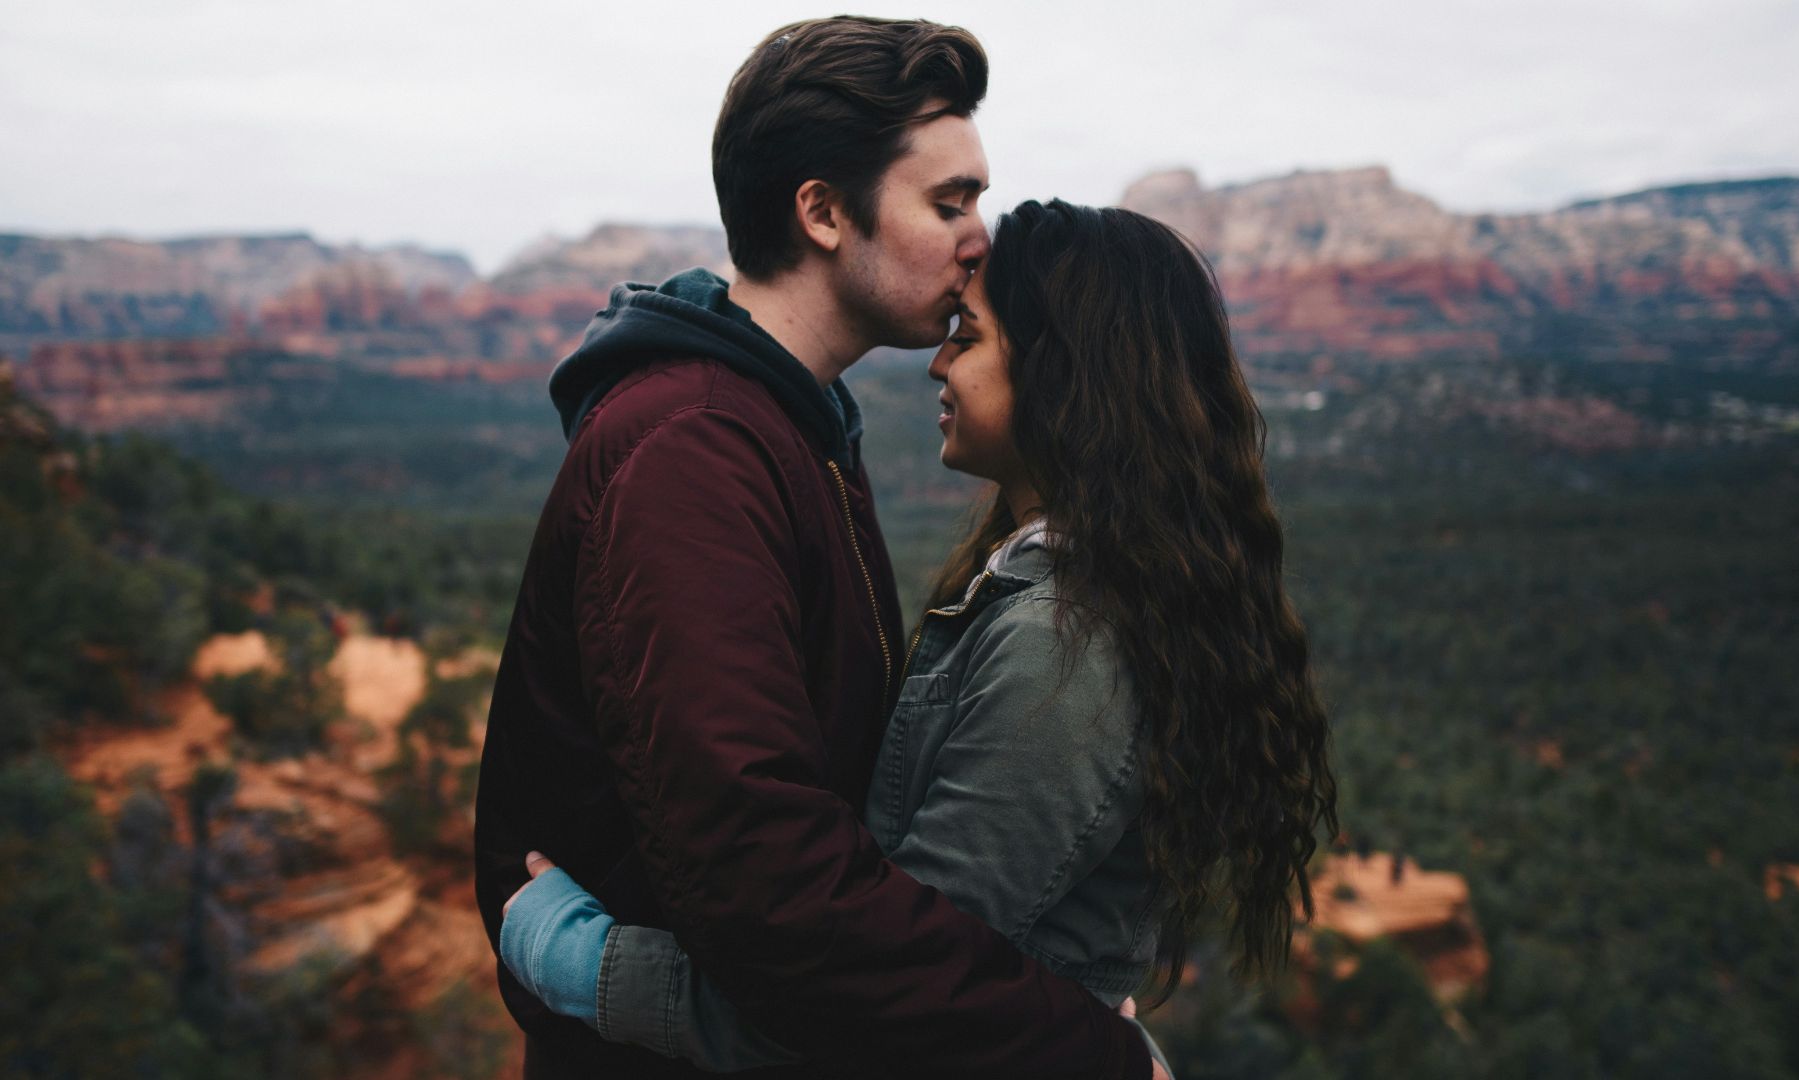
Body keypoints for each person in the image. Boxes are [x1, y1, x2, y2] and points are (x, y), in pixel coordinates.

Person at [472, 17, 1169, 1080]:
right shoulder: (697, 449)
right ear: (824, 212)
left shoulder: (797, 424)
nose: (980, 236)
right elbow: (770, 883)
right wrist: (1086, 1051)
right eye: (949, 202)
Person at [499, 199, 1342, 1074]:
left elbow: (879, 1003)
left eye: (968, 338)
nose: (938, 362)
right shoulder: (1048, 594)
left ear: (1067, 376)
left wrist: (592, 966)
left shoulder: (1064, 646)